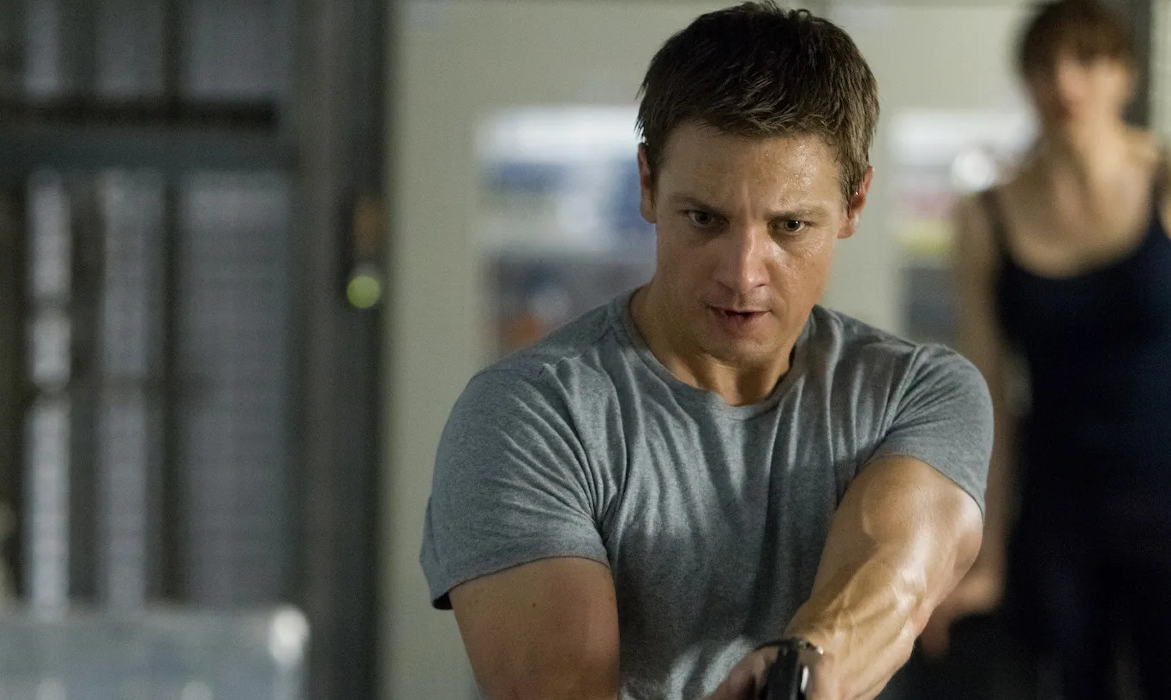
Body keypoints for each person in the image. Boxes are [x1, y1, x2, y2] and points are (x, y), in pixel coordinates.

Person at [421, 3, 993, 699]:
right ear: (648, 186)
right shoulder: (529, 415)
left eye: (789, 226)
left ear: (854, 204)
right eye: (704, 218)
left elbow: (896, 575)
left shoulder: (915, 392)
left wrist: (802, 667)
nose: (743, 273)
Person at [926, 1, 1171, 697]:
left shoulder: (1165, 181)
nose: (1064, 82)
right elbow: (988, 393)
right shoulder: (987, 214)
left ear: (1123, 75)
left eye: (1087, 60)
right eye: (1044, 65)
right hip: (1061, 508)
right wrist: (982, 554)